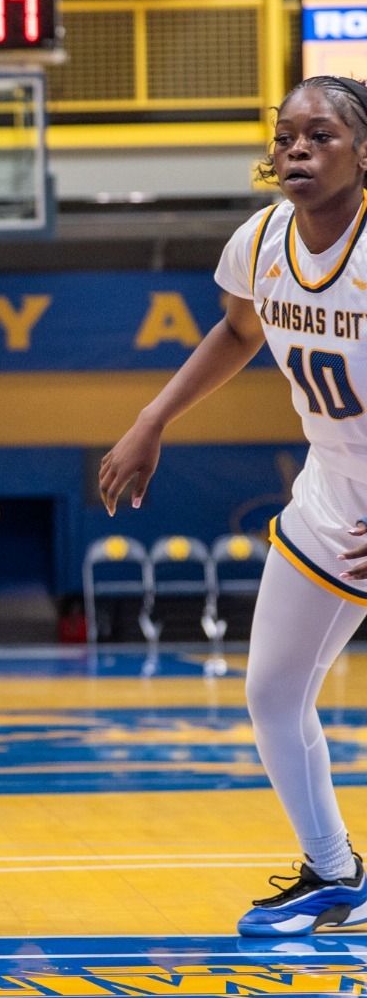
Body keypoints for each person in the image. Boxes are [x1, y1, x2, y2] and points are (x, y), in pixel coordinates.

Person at [101, 74, 367, 937]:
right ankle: (334, 873)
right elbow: (239, 332)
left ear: (364, 154)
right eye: (287, 134)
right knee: (273, 691)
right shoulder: (259, 243)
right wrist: (153, 418)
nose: (298, 148)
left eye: (321, 135)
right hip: (331, 496)